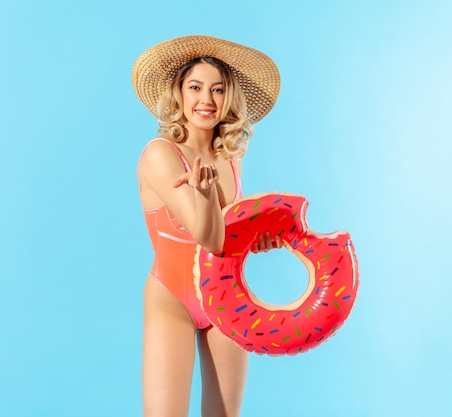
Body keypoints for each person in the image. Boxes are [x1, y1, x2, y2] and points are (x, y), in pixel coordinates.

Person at [132, 35, 281, 417]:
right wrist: (205, 192)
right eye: (195, 87)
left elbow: (230, 238)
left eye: (217, 90)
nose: (207, 100)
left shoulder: (229, 156)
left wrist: (257, 239)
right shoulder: (159, 155)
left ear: (229, 98)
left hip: (227, 294)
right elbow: (210, 238)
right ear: (178, 94)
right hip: (173, 299)